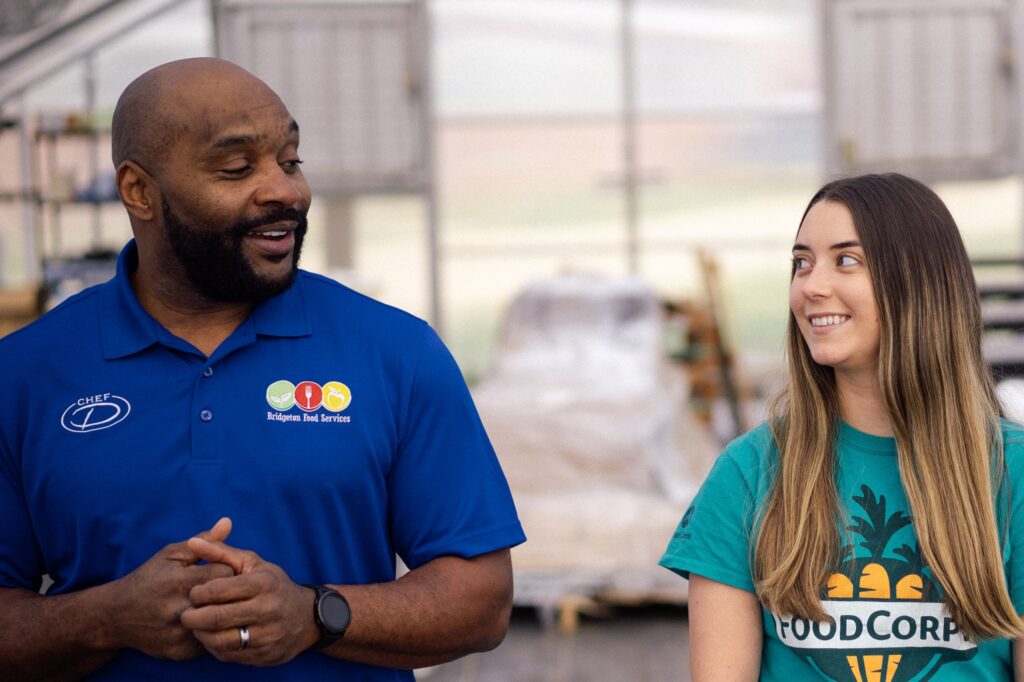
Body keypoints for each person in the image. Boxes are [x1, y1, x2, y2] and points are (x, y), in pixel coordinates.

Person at [0, 58, 525, 680]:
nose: (285, 190)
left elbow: (482, 601)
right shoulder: (25, 373)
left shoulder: (395, 352)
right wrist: (106, 618)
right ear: (139, 191)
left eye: (291, 160)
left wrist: (316, 615)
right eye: (236, 168)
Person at [660, 173, 1024, 681]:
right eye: (801, 263)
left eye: (846, 260)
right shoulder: (749, 472)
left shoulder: (1014, 473)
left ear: (920, 282)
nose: (811, 286)